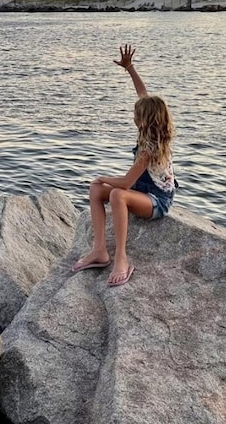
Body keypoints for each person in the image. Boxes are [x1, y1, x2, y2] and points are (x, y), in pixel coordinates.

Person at [71, 44, 176, 287]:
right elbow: (144, 94)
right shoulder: (152, 128)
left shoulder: (150, 147)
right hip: (141, 192)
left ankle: (121, 258)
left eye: (135, 114)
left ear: (144, 120)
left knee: (117, 192)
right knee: (96, 191)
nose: (133, 117)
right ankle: (100, 251)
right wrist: (130, 68)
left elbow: (127, 183)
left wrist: (103, 177)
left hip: (157, 200)